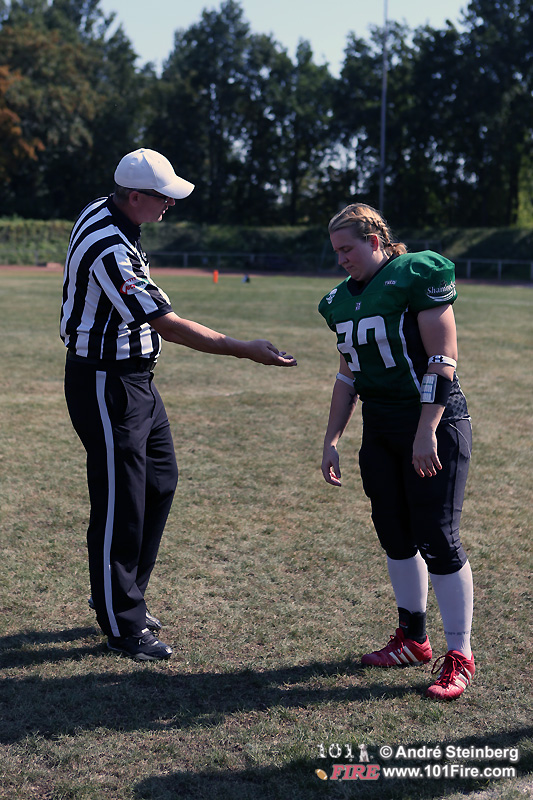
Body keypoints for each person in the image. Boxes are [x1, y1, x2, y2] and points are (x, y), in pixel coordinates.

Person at [60, 148, 297, 662]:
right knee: (121, 501)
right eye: (163, 196)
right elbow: (167, 325)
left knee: (158, 482)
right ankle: (122, 623)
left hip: (134, 380)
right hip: (106, 382)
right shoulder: (110, 246)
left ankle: (123, 595)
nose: (170, 203)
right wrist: (243, 348)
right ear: (134, 197)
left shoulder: (110, 211)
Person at [318, 203, 474, 700]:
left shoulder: (415, 274)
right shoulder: (339, 301)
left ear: (375, 241)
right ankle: (412, 638)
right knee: (394, 533)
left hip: (432, 419)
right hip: (381, 425)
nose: (341, 259)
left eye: (348, 248)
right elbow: (348, 375)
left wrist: (427, 430)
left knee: (437, 535)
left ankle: (460, 654)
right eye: (336, 251)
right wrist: (332, 439)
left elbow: (442, 359)